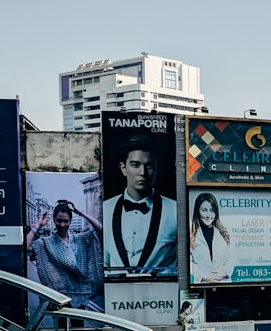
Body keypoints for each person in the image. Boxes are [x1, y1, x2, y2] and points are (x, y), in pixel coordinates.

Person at [103, 133, 178, 277]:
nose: (142, 173)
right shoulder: (105, 209)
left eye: (149, 166)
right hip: (117, 296)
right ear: (123, 168)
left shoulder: (175, 210)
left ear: (157, 168)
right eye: (135, 165)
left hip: (163, 295)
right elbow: (104, 263)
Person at [26, 200, 104, 311]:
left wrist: (80, 213)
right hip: (57, 297)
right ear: (54, 220)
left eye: (66, 221)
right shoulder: (46, 242)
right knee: (60, 326)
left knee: (78, 326)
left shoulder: (80, 239)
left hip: (79, 294)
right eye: (59, 221)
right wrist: (38, 225)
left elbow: (100, 229)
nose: (62, 225)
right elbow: (26, 247)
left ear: (70, 221)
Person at [189, 192, 233, 283]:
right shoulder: (190, 235)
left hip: (223, 283)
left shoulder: (223, 234)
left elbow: (231, 257)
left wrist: (224, 273)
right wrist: (203, 276)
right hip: (202, 284)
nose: (208, 215)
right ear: (197, 211)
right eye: (204, 210)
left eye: (212, 210)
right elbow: (187, 262)